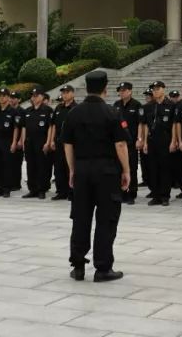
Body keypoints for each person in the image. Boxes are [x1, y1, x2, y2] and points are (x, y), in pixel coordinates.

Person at [64, 70, 131, 283]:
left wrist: (72, 169)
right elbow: (120, 144)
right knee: (106, 219)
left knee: (80, 217)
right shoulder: (112, 112)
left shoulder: (74, 113)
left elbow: (68, 144)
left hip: (82, 170)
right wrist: (127, 170)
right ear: (105, 88)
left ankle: (78, 265)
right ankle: (103, 268)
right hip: (107, 171)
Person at [140, 81, 175, 206]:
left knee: (165, 168)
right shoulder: (149, 106)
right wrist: (144, 142)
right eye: (153, 89)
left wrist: (174, 141)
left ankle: (165, 196)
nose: (155, 91)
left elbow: (174, 125)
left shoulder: (171, 105)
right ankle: (156, 195)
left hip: (165, 140)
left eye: (158, 88)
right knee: (153, 168)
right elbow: (146, 126)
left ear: (163, 89)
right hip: (152, 140)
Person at [22, 87, 54, 199]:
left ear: (42, 96)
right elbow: (24, 128)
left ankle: (42, 189)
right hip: (29, 141)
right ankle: (32, 189)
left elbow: (51, 127)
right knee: (31, 166)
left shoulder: (47, 110)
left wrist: (48, 142)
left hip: (42, 141)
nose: (33, 98)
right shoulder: (28, 111)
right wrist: (23, 141)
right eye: (32, 96)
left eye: (36, 95)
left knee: (42, 165)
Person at [114, 81, 142, 205]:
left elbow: (141, 123)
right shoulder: (116, 105)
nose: (122, 92)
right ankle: (122, 192)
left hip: (131, 142)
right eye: (120, 90)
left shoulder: (136, 105)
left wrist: (139, 139)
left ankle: (132, 193)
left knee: (132, 167)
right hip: (119, 142)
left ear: (130, 91)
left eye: (124, 90)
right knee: (119, 167)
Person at [0, 88, 18, 198]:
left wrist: (14, 142)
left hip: (8, 141)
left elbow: (16, 128)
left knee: (7, 166)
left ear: (8, 97)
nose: (1, 97)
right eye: (0, 95)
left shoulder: (13, 111)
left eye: (4, 95)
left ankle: (6, 189)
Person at [52, 85, 77, 201]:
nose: (64, 94)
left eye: (67, 92)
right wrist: (51, 140)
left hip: (72, 143)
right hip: (58, 142)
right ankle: (61, 191)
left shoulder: (76, 108)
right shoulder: (58, 108)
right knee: (59, 168)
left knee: (70, 166)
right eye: (63, 92)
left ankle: (72, 192)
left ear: (72, 93)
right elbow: (53, 126)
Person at [8, 90, 26, 193]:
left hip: (18, 140)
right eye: (11, 97)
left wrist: (20, 141)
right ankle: (9, 183)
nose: (12, 99)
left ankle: (16, 184)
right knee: (9, 163)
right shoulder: (8, 110)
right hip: (8, 140)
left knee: (16, 163)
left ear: (19, 100)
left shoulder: (22, 111)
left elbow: (22, 127)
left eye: (14, 98)